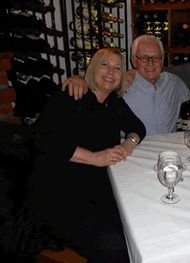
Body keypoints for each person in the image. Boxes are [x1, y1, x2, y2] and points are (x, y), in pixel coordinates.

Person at [26, 48, 146, 262]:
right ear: (93, 68)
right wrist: (95, 157)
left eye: (117, 68)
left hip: (96, 184)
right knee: (114, 247)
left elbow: (138, 127)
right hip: (60, 189)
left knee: (136, 226)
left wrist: (128, 145)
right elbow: (44, 139)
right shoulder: (72, 94)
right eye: (105, 64)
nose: (111, 71)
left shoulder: (113, 102)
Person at [65, 35, 190, 136]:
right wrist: (78, 79)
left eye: (155, 57)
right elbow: (96, 84)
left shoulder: (174, 83)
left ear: (162, 60)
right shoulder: (122, 82)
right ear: (133, 60)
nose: (150, 63)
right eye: (144, 58)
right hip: (132, 152)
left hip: (167, 151)